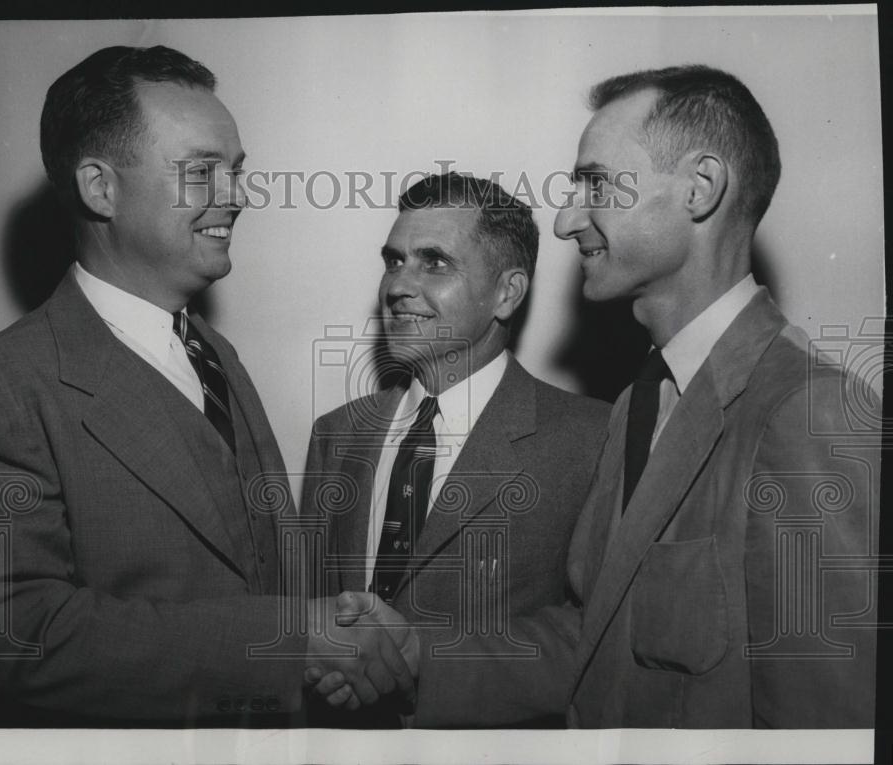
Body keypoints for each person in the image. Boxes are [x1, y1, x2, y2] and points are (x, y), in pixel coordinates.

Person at [326, 66, 878, 729]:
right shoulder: (636, 409)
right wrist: (417, 653)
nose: (565, 220)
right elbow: (590, 639)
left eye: (595, 183)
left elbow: (827, 730)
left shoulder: (806, 411)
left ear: (700, 189)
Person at [0, 45, 410, 728]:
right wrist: (294, 644)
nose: (238, 196)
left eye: (235, 172)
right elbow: (20, 635)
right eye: (202, 172)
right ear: (99, 187)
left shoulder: (213, 354)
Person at [300, 173, 610, 725]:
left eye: (434, 262)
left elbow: (596, 639)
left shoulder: (591, 439)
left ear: (506, 294)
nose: (398, 285)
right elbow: (306, 618)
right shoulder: (336, 435)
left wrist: (426, 662)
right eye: (394, 260)